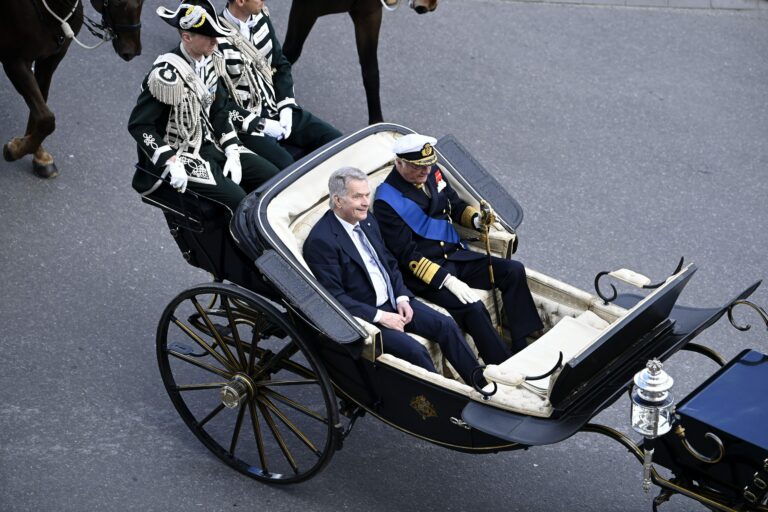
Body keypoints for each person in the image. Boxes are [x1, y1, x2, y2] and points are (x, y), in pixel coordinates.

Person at [373, 133, 543, 363]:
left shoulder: (433, 172)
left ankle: (523, 343)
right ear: (399, 162)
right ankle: (503, 364)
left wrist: (475, 221)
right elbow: (407, 256)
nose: (425, 172)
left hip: (455, 254)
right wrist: (448, 280)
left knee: (513, 271)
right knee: (472, 308)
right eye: (417, 167)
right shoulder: (386, 201)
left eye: (427, 165)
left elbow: (454, 205)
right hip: (427, 274)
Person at [303, 167, 481, 384]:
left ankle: (480, 387)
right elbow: (334, 297)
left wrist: (402, 297)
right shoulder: (322, 241)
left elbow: (389, 262)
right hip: (368, 318)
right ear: (338, 201)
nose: (366, 202)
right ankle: (448, 407)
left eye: (366, 195)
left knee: (446, 325)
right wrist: (381, 317)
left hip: (395, 301)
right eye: (357, 196)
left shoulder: (367, 220)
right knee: (415, 352)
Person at [128, 0, 280, 212]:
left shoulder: (211, 60)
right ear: (186, 37)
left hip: (212, 143)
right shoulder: (165, 75)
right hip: (182, 153)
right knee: (238, 202)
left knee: (274, 179)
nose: (215, 41)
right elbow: (140, 126)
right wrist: (169, 159)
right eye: (209, 36)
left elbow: (220, 110)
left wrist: (232, 151)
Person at [215, 0, 342, 170]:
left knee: (335, 140)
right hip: (247, 125)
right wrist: (261, 124)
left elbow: (280, 64)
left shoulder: (261, 17)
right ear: (240, 1)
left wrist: (286, 107)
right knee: (289, 168)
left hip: (276, 108)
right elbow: (220, 104)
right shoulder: (215, 38)